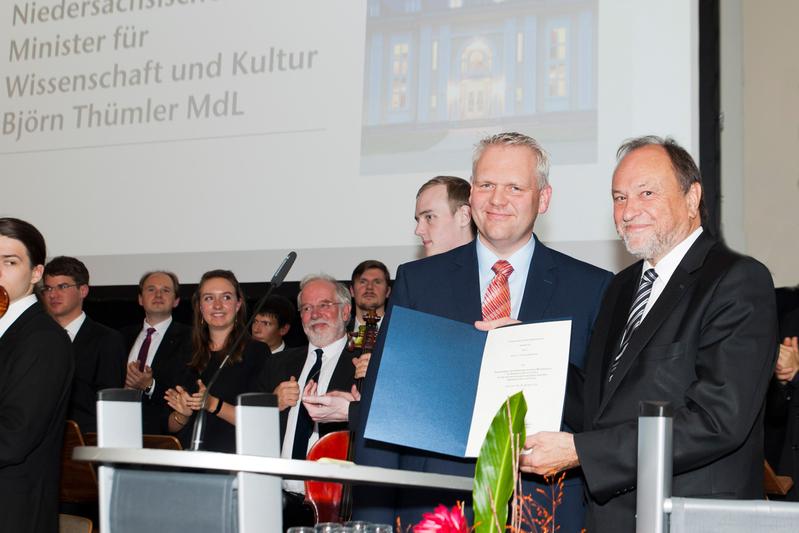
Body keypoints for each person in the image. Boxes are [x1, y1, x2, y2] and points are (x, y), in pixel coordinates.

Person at [353, 132, 613, 529]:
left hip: (544, 507)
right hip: (432, 508)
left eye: (514, 187)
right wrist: (372, 523)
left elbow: (601, 415)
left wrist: (536, 356)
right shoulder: (418, 282)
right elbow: (380, 414)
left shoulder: (591, 288)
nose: (497, 199)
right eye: (486, 185)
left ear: (542, 199)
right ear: (471, 194)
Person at [520, 136, 778, 532]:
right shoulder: (621, 288)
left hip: (689, 519)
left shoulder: (737, 280)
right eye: (619, 197)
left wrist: (581, 452)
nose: (628, 210)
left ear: (693, 198)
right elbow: (597, 407)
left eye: (647, 193)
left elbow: (718, 420)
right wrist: (523, 348)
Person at [0, 217, 74, 533]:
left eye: (10, 261)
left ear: (36, 273)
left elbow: (12, 439)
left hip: (13, 513)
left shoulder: (43, 339)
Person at [259, 274, 359, 492]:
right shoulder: (278, 363)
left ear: (345, 311)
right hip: (277, 496)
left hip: (336, 500)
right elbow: (250, 428)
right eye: (306, 308)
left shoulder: (363, 365)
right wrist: (271, 404)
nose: (315, 314)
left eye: (324, 305)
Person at [164, 270, 269, 453]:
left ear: (238, 305)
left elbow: (259, 421)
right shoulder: (185, 352)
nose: (218, 305)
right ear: (199, 306)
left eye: (226, 297)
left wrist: (213, 405)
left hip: (231, 462)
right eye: (209, 298)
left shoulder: (256, 352)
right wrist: (182, 415)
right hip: (186, 462)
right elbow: (170, 426)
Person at [42, 255, 126, 433]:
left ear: (83, 291)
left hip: (84, 439)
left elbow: (109, 404)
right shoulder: (37, 338)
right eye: (48, 288)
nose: (53, 294)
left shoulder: (107, 339)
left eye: (62, 287)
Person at [120, 271, 191, 434]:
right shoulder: (120, 337)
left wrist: (149, 385)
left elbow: (186, 389)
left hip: (160, 433)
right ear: (140, 299)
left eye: (166, 290)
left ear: (176, 301)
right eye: (151, 289)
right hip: (118, 426)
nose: (158, 294)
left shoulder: (191, 339)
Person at [414, 175, 474, 256]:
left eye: (429, 217)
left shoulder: (492, 266)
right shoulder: (411, 268)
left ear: (464, 216)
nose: (418, 231)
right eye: (418, 220)